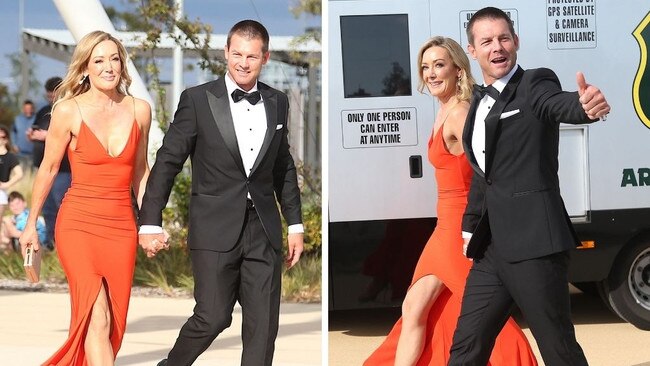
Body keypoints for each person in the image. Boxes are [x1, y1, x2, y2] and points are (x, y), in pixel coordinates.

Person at [448, 7, 610, 366]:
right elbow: (483, 173)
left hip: (537, 246)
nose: (497, 47)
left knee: (559, 350)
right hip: (492, 251)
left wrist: (585, 106)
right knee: (465, 348)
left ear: (516, 41)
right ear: (472, 50)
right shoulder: (477, 102)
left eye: (504, 38)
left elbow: (559, 104)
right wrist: (469, 225)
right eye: (486, 41)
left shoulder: (536, 83)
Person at [138, 19, 304, 366]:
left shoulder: (278, 102)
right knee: (213, 316)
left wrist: (295, 225)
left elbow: (282, 166)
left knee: (263, 328)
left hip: (263, 230)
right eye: (237, 54)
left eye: (252, 56)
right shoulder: (198, 100)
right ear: (226, 53)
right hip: (213, 228)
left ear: (266, 58)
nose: (243, 63)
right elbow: (168, 161)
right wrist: (150, 221)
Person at [365, 37, 537, 366]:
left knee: (486, 315)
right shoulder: (444, 110)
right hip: (443, 230)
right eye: (425, 67)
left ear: (458, 70)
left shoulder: (459, 114)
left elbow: (493, 170)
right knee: (414, 308)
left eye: (438, 65)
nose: (430, 73)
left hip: (460, 234)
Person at [19, 30, 153, 365]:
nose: (108, 67)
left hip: (121, 226)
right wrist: (31, 224)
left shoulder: (140, 110)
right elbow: (48, 169)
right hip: (78, 224)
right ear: (85, 68)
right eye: (99, 60)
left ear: (122, 65)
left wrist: (152, 224)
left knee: (113, 327)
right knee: (98, 316)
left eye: (114, 58)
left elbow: (141, 172)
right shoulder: (67, 111)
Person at [28, 76, 71, 250]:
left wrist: (47, 136)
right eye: (48, 96)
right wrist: (32, 134)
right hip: (42, 167)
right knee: (47, 208)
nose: (50, 99)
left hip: (63, 170)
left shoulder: (68, 110)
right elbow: (36, 127)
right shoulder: (44, 110)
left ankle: (64, 244)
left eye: (53, 95)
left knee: (61, 207)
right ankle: (51, 243)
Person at [0, 126, 24, 219]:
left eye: (2, 137)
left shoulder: (10, 157)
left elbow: (19, 174)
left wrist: (6, 185)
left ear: (6, 140)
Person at [11, 100, 35, 166]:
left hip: (32, 153)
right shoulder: (17, 119)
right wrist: (14, 144)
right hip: (19, 152)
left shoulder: (36, 119)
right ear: (23, 109)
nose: (28, 110)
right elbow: (13, 132)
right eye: (26, 109)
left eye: (30, 108)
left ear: (33, 109)